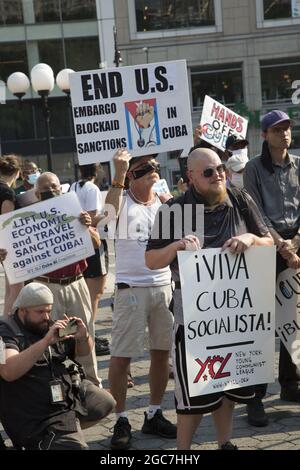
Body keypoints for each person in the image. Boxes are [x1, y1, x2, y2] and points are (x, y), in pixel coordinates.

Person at [145, 147, 273, 450]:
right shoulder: (173, 210)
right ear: (191, 177)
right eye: (209, 172)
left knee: (228, 387)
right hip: (193, 321)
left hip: (235, 318)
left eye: (221, 169)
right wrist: (176, 246)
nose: (219, 175)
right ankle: (183, 451)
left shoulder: (239, 199)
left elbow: (267, 241)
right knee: (193, 397)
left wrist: (251, 238)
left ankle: (224, 443)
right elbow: (151, 260)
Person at [105, 149, 176, 450]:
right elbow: (106, 221)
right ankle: (121, 418)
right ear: (132, 174)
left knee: (161, 353)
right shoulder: (121, 199)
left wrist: (172, 205)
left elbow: (185, 229)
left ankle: (154, 412)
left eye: (155, 166)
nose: (154, 170)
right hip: (130, 288)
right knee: (122, 356)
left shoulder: (164, 199)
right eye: (145, 167)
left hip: (164, 285)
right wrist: (119, 172)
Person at [0, 283, 115, 450]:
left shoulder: (47, 324)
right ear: (23, 310)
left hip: (63, 396)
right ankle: (49, 439)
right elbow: (8, 371)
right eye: (40, 312)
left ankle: (66, 430)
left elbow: (82, 353)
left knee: (105, 402)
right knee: (76, 448)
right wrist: (46, 341)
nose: (46, 317)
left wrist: (83, 337)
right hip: (32, 409)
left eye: (48, 310)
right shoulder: (6, 330)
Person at [244, 110, 300, 427]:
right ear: (265, 135)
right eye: (277, 129)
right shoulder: (253, 168)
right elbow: (255, 212)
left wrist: (297, 243)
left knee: (294, 317)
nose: (284, 133)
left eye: (287, 128)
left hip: (296, 245)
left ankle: (290, 384)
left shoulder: (298, 164)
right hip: (267, 247)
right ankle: (255, 396)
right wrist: (282, 245)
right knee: (263, 322)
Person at [32, 172, 101, 387]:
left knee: (83, 334)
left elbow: (96, 244)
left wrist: (85, 225)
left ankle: (90, 386)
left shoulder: (75, 213)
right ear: (36, 194)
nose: (50, 192)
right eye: (44, 190)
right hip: (47, 287)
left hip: (75, 283)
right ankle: (57, 386)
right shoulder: (30, 219)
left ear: (61, 189)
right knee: (53, 338)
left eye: (53, 187)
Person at [70, 164, 110, 357]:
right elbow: (91, 217)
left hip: (79, 242)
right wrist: (108, 217)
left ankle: (85, 334)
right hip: (93, 240)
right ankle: (89, 335)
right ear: (97, 172)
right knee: (95, 294)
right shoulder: (92, 188)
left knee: (86, 292)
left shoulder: (73, 186)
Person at [0, 154, 23, 316]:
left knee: (10, 287)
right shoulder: (7, 192)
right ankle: (7, 326)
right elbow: (6, 224)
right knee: (15, 289)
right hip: (7, 246)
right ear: (17, 172)